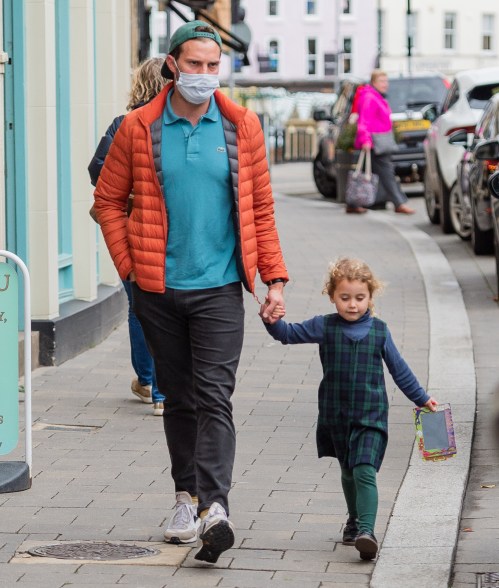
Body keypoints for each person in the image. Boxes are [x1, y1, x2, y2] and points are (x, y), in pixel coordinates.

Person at [93, 20, 288, 564]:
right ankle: (185, 497)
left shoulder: (242, 126)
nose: (203, 75)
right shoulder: (138, 128)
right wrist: (129, 267)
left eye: (212, 65)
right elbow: (107, 201)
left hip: (221, 286)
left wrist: (273, 279)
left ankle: (216, 508)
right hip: (157, 287)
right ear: (172, 65)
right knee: (178, 397)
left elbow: (261, 211)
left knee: (214, 396)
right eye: (194, 64)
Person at [260, 258, 438, 560]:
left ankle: (367, 531)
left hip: (371, 416)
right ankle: (354, 520)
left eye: (360, 298)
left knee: (364, 470)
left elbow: (399, 370)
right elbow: (287, 334)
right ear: (332, 296)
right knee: (347, 471)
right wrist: (271, 319)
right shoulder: (324, 326)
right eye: (345, 298)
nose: (352, 305)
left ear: (370, 296)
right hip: (336, 415)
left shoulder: (380, 331)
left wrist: (421, 398)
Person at [89, 57, 167, 417]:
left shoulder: (123, 124)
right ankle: (161, 391)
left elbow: (98, 169)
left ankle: (149, 380)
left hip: (129, 227)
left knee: (139, 306)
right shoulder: (175, 125)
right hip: (168, 230)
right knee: (167, 307)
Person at [350, 69, 416, 215]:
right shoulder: (370, 98)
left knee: (363, 174)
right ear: (374, 82)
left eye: (386, 81)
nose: (385, 84)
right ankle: (399, 203)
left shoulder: (376, 97)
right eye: (382, 81)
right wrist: (366, 139)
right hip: (375, 142)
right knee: (387, 173)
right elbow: (364, 121)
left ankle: (353, 203)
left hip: (378, 141)